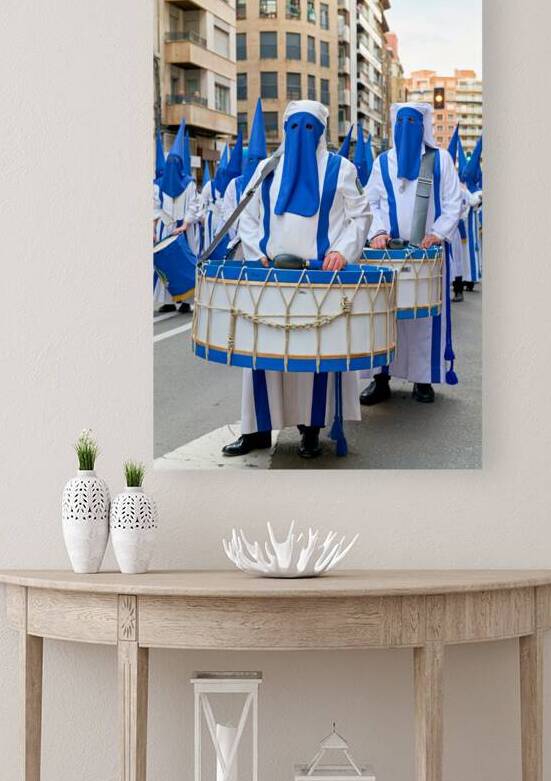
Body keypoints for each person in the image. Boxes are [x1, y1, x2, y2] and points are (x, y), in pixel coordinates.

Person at [221, 100, 370, 459]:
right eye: (293, 127)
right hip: (271, 276)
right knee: (261, 355)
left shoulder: (341, 169)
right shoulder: (267, 169)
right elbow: (248, 216)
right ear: (285, 130)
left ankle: (311, 430)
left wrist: (342, 251)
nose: (300, 135)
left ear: (320, 133)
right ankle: (255, 430)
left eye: (309, 128)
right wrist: (260, 254)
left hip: (321, 279)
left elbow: (360, 216)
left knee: (313, 359)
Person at [360, 102, 462, 406]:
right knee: (384, 315)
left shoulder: (439, 159)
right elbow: (371, 202)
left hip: (426, 254)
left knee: (423, 318)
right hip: (388, 255)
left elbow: (454, 202)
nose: (407, 128)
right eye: (401, 122)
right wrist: (377, 232)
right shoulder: (383, 162)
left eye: (413, 122)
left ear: (424, 126)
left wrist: (438, 233)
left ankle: (423, 379)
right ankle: (381, 379)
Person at [155, 120, 201, 313]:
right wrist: (153, 229)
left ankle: (185, 301)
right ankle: (167, 300)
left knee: (183, 264)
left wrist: (186, 224)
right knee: (165, 264)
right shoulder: (157, 185)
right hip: (165, 228)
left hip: (184, 229)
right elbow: (154, 207)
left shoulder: (189, 184)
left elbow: (194, 205)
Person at [222, 99, 267, 260]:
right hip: (239, 238)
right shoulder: (235, 185)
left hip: (265, 243)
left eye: (260, 159)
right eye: (251, 160)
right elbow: (227, 210)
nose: (255, 164)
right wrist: (244, 231)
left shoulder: (269, 181)